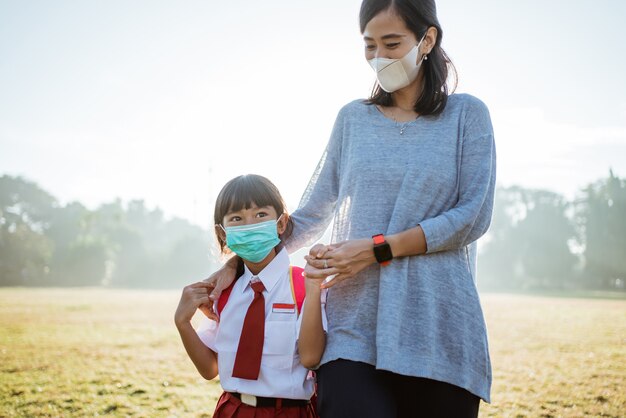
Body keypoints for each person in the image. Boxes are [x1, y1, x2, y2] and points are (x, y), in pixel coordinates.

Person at [206, 0, 496, 416]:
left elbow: (471, 216)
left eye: (392, 43)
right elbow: (309, 216)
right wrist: (235, 264)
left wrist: (377, 249)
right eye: (370, 46)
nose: (380, 57)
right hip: (352, 327)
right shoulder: (353, 120)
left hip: (437, 327)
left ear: (428, 39)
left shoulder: (467, 115)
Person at [175, 174, 326, 418]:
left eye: (260, 215)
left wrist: (313, 288)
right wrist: (182, 323)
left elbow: (311, 358)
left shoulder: (303, 284)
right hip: (232, 410)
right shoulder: (224, 292)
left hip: (289, 412)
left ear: (281, 223)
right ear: (222, 233)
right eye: (237, 218)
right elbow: (209, 368)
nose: (249, 225)